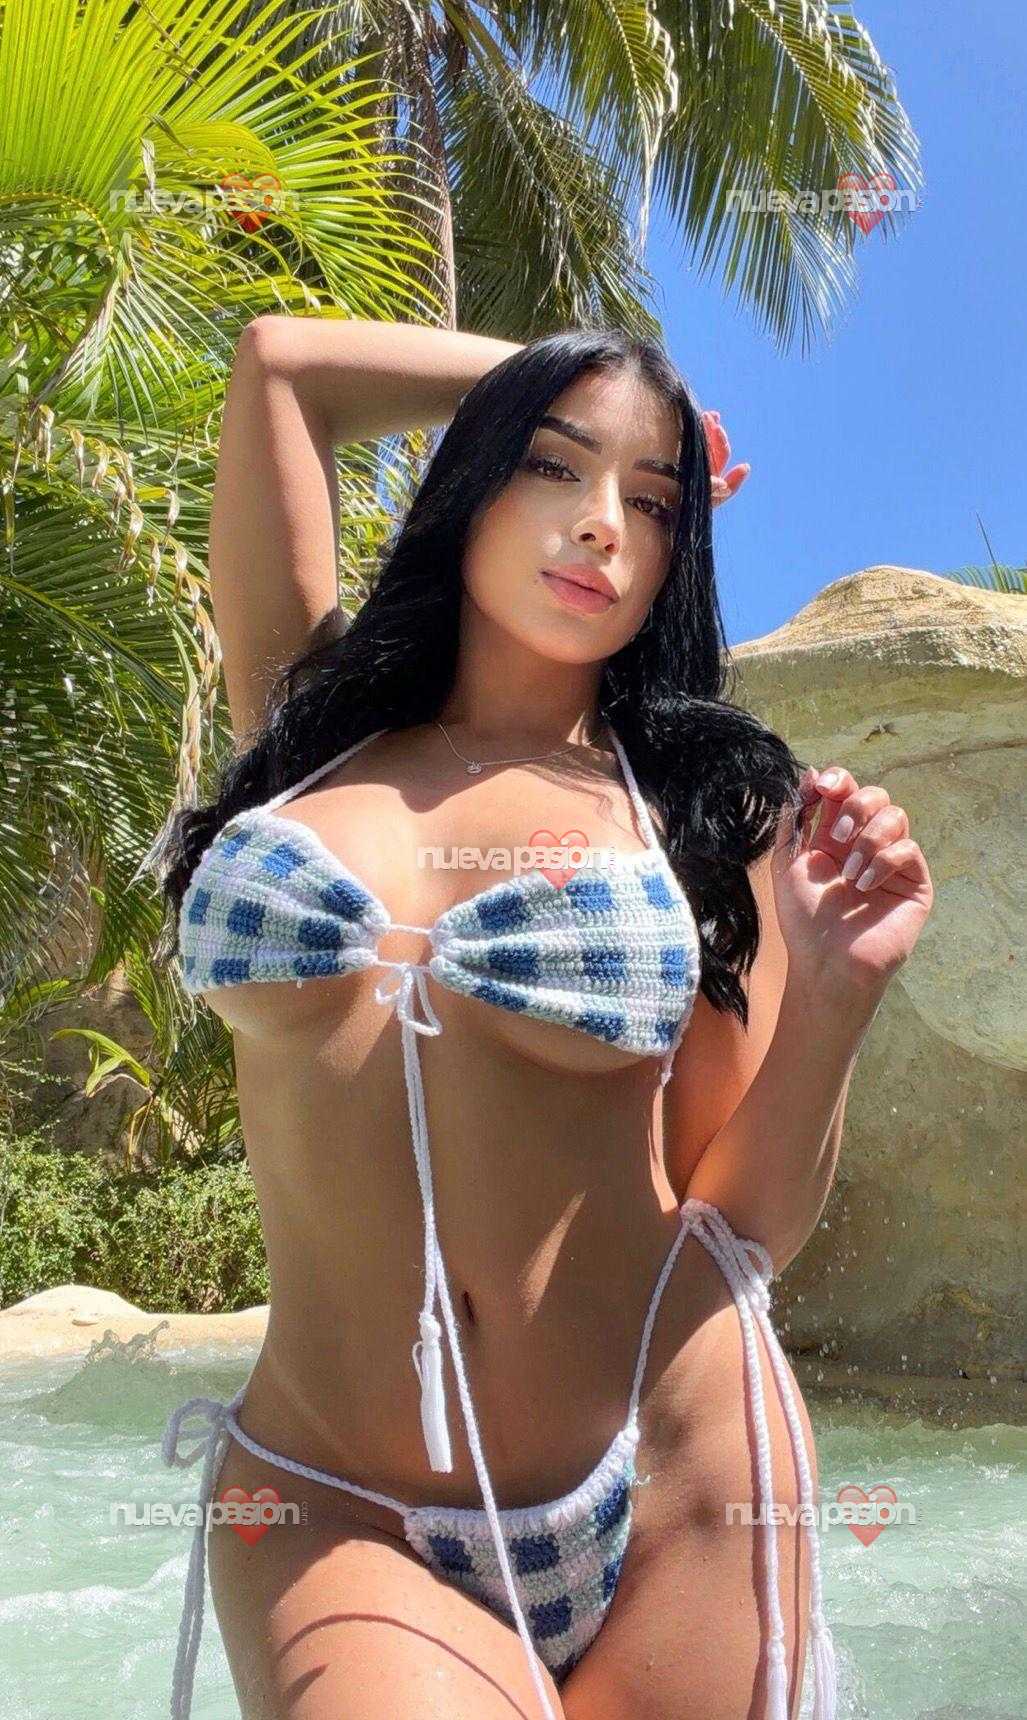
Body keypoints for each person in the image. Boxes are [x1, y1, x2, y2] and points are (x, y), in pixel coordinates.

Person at [152, 317, 933, 1719]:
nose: (603, 527)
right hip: (336, 1503)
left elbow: (737, 1219)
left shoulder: (701, 806)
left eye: (654, 502)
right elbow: (280, 366)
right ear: (475, 477)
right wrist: (612, 384)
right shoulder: (310, 718)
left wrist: (834, 995)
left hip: (678, 1462)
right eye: (554, 468)